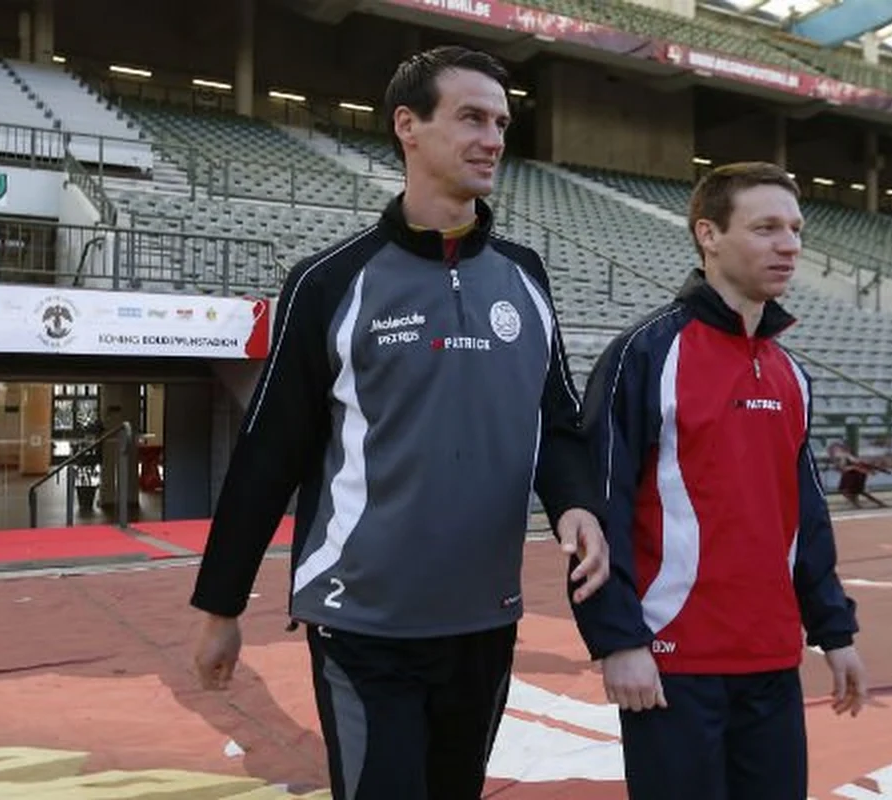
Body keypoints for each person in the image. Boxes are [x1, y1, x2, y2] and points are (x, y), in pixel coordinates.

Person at [189, 46, 609, 800]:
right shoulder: (331, 282)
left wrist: (576, 500)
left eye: (503, 122)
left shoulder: (525, 276)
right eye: (472, 118)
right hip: (363, 619)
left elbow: (558, 420)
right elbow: (269, 452)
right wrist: (222, 605)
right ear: (408, 126)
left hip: (485, 614)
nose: (493, 139)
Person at [572, 162, 867, 800]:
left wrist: (834, 630)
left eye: (794, 228)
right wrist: (617, 639)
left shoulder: (791, 373)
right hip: (674, 661)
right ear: (708, 234)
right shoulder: (644, 354)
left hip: (770, 659)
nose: (788, 244)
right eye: (765, 228)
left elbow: (804, 515)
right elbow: (599, 509)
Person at [827, 441, 890, 508]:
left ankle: (858, 504)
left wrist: (877, 469)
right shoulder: (842, 455)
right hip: (853, 473)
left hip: (853, 474)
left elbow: (852, 465)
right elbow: (857, 464)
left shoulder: (842, 455)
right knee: (855, 491)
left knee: (849, 490)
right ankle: (860, 503)